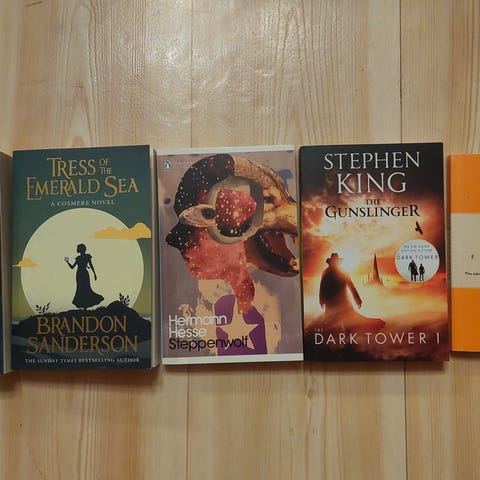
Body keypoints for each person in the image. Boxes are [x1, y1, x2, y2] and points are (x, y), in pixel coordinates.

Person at [319, 252, 384, 331]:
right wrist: (321, 299)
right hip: (334, 302)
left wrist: (357, 300)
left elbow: (350, 286)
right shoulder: (329, 272)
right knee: (332, 324)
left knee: (347, 324)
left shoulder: (338, 272)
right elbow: (322, 287)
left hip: (341, 301)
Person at [65, 243, 104, 309]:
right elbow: (72, 267)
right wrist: (67, 262)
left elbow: (91, 265)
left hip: (82, 274)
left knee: (86, 288)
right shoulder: (79, 258)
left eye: (78, 248)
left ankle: (85, 305)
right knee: (80, 289)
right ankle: (84, 306)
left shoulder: (85, 257)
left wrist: (94, 273)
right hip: (80, 275)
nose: (77, 249)